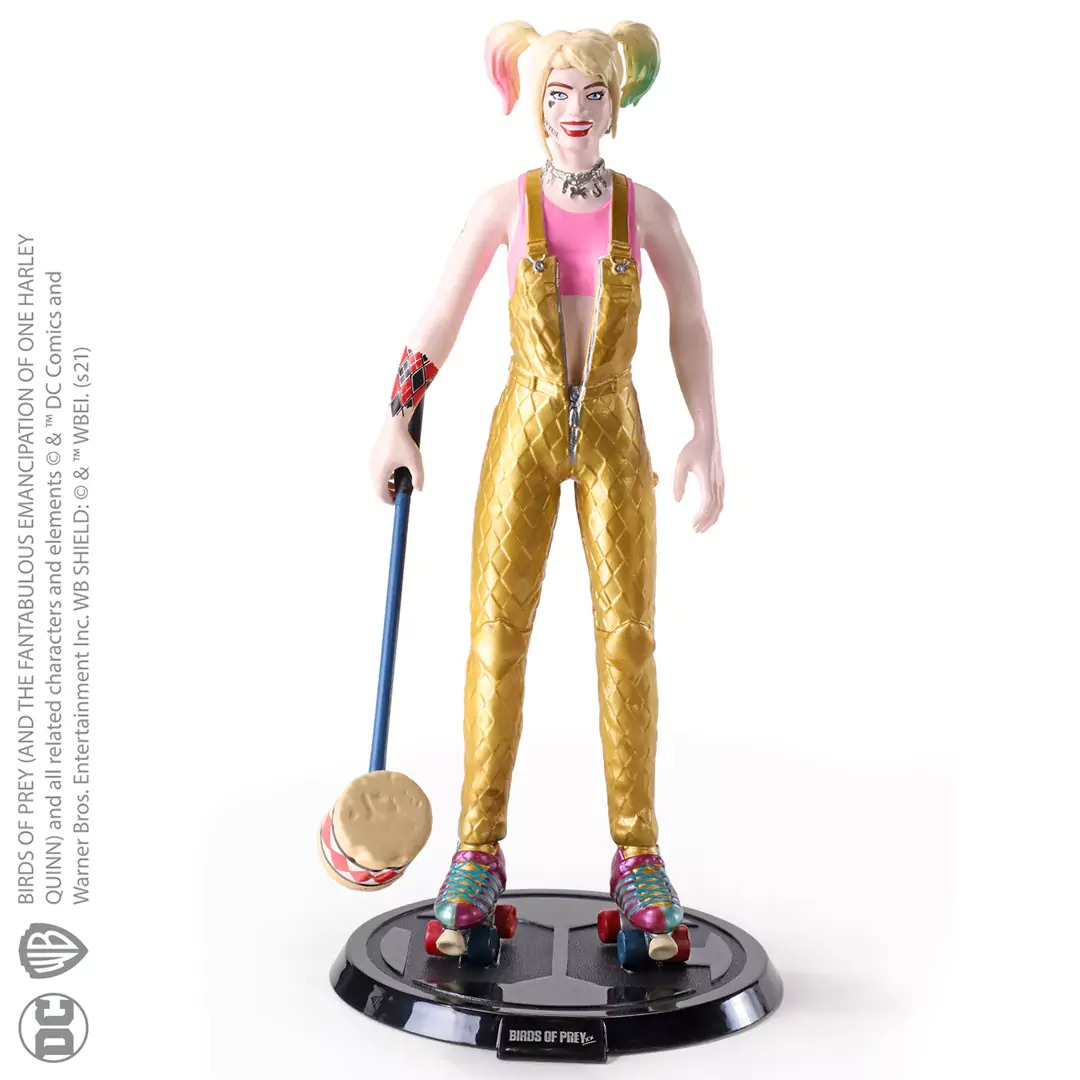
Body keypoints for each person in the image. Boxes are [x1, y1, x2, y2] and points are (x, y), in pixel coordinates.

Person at [369, 20, 725, 961]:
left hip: (613, 427)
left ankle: (638, 853)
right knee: (496, 635)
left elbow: (690, 319)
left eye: (592, 95)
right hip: (523, 428)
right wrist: (398, 416)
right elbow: (441, 313)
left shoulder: (645, 212)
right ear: (536, 105)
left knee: (629, 638)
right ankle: (476, 851)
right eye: (559, 94)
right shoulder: (504, 206)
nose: (575, 111)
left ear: (615, 105)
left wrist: (706, 431)